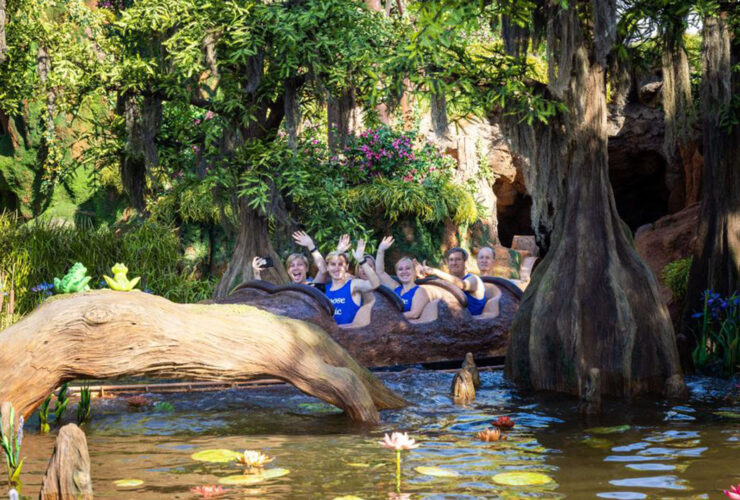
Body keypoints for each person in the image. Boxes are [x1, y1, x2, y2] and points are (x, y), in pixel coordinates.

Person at [324, 239, 380, 325]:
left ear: (346, 267)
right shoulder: (324, 289)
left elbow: (375, 284)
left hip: (350, 335)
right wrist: (339, 250)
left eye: (340, 264)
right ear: (327, 267)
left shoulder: (353, 285)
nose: (337, 268)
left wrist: (361, 260)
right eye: (333, 264)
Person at [420, 247, 487, 316]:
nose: (454, 263)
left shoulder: (474, 279)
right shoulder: (447, 280)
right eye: (451, 260)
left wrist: (434, 271)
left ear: (465, 262)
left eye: (458, 259)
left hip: (470, 323)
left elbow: (462, 285)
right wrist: (421, 277)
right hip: (448, 322)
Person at [375, 236, 429, 319]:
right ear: (396, 273)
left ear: (414, 271)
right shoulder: (396, 287)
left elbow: (414, 314)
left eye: (408, 268)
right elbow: (379, 272)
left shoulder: (420, 291)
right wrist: (380, 250)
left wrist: (390, 317)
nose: (404, 272)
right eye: (400, 269)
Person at [251, 230, 327, 285]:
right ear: (288, 271)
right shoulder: (286, 290)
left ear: (306, 268)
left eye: (300, 264)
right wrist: (257, 273)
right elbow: (263, 294)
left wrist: (311, 245)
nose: (295, 268)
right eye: (291, 265)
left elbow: (323, 270)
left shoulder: (313, 286)